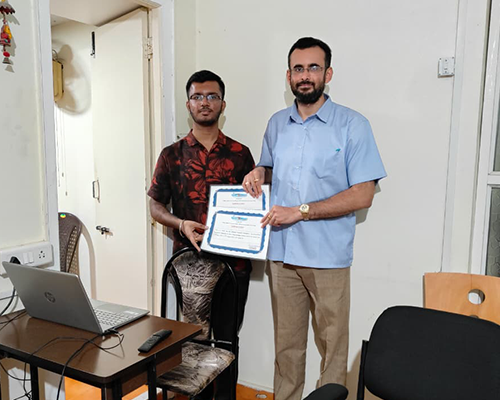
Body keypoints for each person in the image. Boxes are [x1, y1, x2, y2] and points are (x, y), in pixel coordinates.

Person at [243, 37, 386, 400]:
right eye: (298, 68)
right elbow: (271, 170)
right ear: (288, 76)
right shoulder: (277, 124)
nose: (305, 75)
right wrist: (258, 172)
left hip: (327, 257)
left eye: (313, 67)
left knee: (332, 348)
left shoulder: (353, 125)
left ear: (328, 73)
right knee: (287, 349)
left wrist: (301, 211)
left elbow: (363, 194)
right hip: (281, 255)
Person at [148, 70, 255, 400]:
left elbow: (254, 206)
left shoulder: (241, 154)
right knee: (193, 340)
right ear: (188, 104)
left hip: (233, 267)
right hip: (189, 267)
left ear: (223, 104)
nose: (204, 102)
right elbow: (155, 206)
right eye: (197, 96)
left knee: (226, 340)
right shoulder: (171, 155)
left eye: (212, 96)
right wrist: (180, 223)